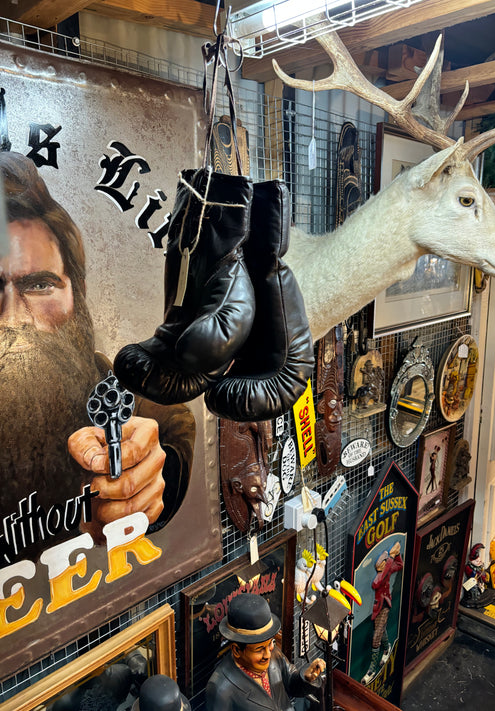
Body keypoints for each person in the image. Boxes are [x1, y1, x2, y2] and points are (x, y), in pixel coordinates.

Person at [0, 151, 195, 557]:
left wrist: (148, 483)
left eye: (39, 285)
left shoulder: (109, 387)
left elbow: (172, 429)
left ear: (78, 294)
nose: (14, 319)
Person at [205, 593, 325, 711]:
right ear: (237, 650)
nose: (268, 654)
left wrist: (307, 677)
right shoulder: (220, 689)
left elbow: (291, 684)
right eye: (259, 650)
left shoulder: (274, 654)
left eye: (270, 643)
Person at [361, 541, 404, 685]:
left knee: (376, 637)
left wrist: (396, 554)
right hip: (377, 609)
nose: (380, 566)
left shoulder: (387, 570)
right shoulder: (379, 576)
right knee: (382, 631)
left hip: (385, 606)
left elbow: (400, 565)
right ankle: (387, 649)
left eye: (383, 563)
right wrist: (391, 558)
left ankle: (371, 669)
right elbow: (376, 583)